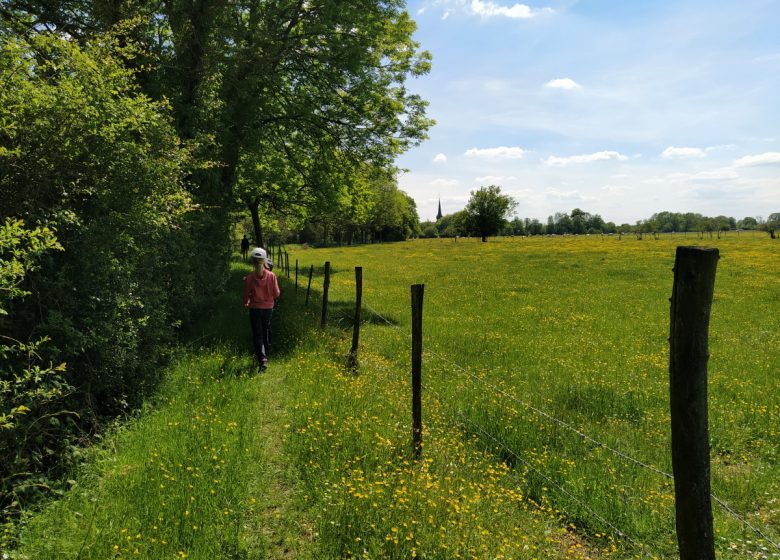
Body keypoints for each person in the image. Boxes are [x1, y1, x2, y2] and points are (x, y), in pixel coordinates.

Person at [242, 247, 280, 371]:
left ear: (252, 261)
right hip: (268, 308)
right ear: (264, 261)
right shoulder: (272, 275)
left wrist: (246, 303)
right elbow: (276, 294)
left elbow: (245, 296)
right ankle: (266, 355)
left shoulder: (249, 278)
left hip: (254, 308)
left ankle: (262, 359)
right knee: (265, 330)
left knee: (257, 333)